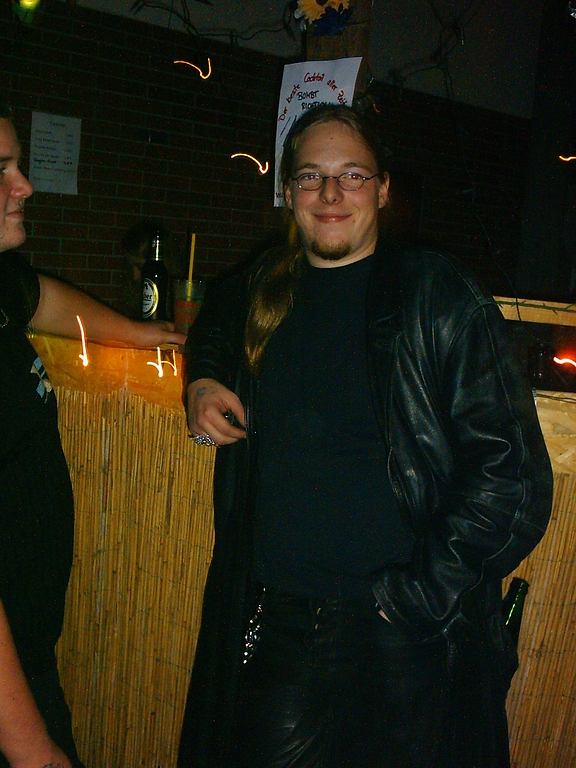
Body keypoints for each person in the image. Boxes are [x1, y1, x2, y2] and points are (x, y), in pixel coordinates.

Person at [178, 104, 553, 768]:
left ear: (382, 190)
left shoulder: (436, 294)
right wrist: (203, 378)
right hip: (280, 624)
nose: (330, 194)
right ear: (288, 191)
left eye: (351, 175)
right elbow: (215, 315)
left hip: (401, 637)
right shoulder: (265, 288)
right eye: (311, 176)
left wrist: (419, 595)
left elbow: (514, 479)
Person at [0, 105, 185, 768]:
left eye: (18, 164)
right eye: (0, 170)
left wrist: (137, 334)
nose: (24, 186)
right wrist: (30, 749)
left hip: (26, 651)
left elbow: (41, 297)